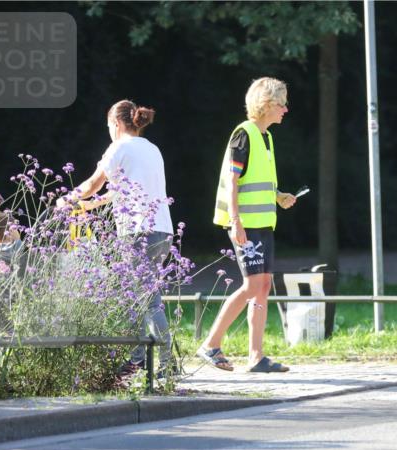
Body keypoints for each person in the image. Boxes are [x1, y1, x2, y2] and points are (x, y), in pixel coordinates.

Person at [62, 100, 175, 377]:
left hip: (138, 233)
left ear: (115, 123)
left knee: (148, 299)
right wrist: (91, 206)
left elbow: (93, 183)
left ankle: (167, 363)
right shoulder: (152, 149)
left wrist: (67, 199)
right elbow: (122, 190)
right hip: (162, 231)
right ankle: (137, 359)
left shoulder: (118, 147)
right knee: (136, 296)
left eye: (108, 126)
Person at [196, 77, 298, 373]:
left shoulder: (266, 136)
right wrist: (236, 221)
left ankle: (256, 356)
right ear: (266, 105)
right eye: (281, 103)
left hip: (263, 223)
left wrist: (278, 196)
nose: (285, 109)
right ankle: (211, 344)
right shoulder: (244, 134)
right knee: (253, 284)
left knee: (263, 286)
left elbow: (258, 180)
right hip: (246, 225)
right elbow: (232, 181)